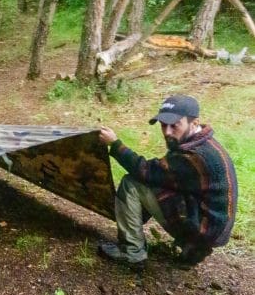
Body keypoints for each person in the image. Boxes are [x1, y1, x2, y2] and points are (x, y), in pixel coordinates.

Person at [98, 95, 238, 269]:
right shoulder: (204, 144)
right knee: (156, 183)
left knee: (132, 183)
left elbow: (146, 171)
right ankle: (193, 249)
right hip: (212, 226)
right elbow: (164, 174)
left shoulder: (195, 157)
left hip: (204, 229)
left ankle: (132, 252)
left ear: (194, 123)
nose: (167, 132)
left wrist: (115, 144)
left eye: (175, 125)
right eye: (164, 125)